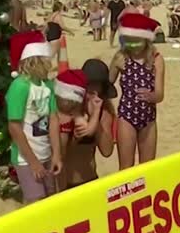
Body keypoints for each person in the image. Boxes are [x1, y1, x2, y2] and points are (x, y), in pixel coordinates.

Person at [6, 31, 63, 202]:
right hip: (26, 158)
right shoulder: (20, 86)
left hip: (45, 153)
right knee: (35, 201)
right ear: (36, 61)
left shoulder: (48, 85)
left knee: (50, 198)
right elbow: (14, 126)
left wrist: (57, 155)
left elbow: (54, 120)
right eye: (47, 60)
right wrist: (33, 162)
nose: (50, 64)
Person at [110, 13, 165, 169]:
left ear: (146, 40)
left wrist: (152, 96)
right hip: (127, 115)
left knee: (147, 168)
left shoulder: (156, 59)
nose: (132, 46)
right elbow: (108, 83)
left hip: (148, 118)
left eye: (136, 42)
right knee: (126, 168)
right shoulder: (121, 56)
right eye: (129, 42)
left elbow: (160, 95)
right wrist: (114, 66)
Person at [54, 67, 115, 190]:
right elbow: (60, 155)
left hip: (90, 181)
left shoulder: (103, 112)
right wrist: (75, 136)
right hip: (65, 184)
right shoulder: (67, 109)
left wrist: (95, 119)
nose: (93, 92)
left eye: (97, 87)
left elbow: (107, 151)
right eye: (90, 86)